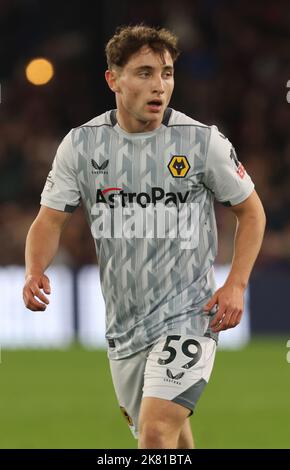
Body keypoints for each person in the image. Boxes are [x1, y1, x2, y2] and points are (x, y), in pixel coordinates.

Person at [23, 24, 266, 449]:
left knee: (155, 435)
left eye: (167, 73)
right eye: (145, 73)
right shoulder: (81, 146)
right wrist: (33, 270)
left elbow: (251, 211)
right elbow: (49, 221)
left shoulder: (200, 142)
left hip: (190, 315)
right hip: (125, 327)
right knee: (174, 439)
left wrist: (236, 284)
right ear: (113, 79)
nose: (159, 86)